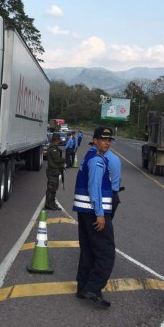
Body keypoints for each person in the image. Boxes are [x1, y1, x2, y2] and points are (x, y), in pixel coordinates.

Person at [73, 127, 116, 308]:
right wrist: (100, 214)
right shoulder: (98, 161)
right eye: (103, 139)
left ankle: (83, 287)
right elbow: (94, 188)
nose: (107, 143)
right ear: (95, 140)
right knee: (106, 253)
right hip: (94, 212)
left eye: (109, 140)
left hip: (84, 211)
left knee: (88, 250)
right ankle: (93, 286)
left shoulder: (89, 156)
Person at [45, 133, 65, 211]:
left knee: (54, 189)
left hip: (55, 171)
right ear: (56, 139)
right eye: (58, 140)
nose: (59, 141)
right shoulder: (53, 149)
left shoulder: (55, 148)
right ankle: (48, 204)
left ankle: (52, 203)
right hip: (52, 171)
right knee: (51, 188)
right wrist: (63, 160)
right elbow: (56, 159)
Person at [105, 149, 122, 219]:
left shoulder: (100, 159)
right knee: (108, 222)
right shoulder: (116, 158)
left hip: (104, 196)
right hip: (114, 196)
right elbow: (119, 178)